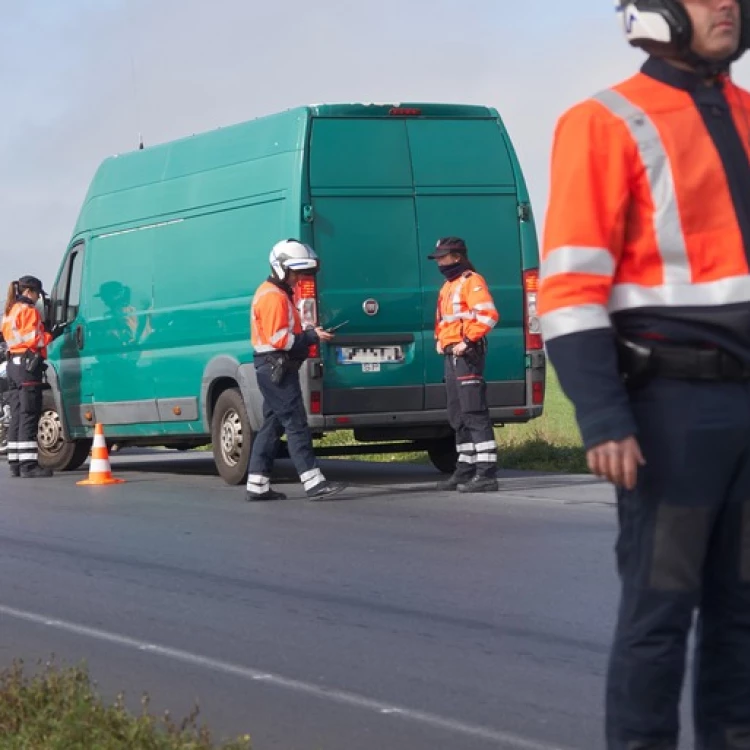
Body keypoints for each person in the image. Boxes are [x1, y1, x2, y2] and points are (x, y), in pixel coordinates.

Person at [539, 0, 750, 747]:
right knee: (660, 618)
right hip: (673, 415)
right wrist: (602, 416)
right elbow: (567, 292)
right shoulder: (604, 122)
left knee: (744, 622)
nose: (726, 4)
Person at [246, 239, 346, 501]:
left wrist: (310, 333)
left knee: (272, 425)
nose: (299, 278)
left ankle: (257, 485)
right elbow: (280, 339)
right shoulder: (272, 296)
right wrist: (312, 338)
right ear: (281, 269)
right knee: (296, 423)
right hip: (276, 367)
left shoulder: (277, 293)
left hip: (273, 367)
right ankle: (313, 482)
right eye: (295, 273)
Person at [428, 237, 499, 493]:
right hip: (451, 354)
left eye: (443, 257)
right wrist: (440, 339)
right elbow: (444, 319)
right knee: (457, 415)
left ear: (457, 257)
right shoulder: (448, 286)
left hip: (467, 355)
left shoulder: (472, 281)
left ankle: (486, 473)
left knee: (474, 412)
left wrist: (467, 342)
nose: (439, 262)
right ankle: (465, 469)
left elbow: (488, 315)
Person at [1, 276, 53, 478]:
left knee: (17, 413)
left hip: (13, 365)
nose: (38, 297)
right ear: (30, 292)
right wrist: (50, 334)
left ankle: (15, 462)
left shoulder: (10, 310)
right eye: (38, 294)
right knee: (29, 413)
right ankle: (29, 465)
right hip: (27, 365)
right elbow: (35, 339)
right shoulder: (29, 311)